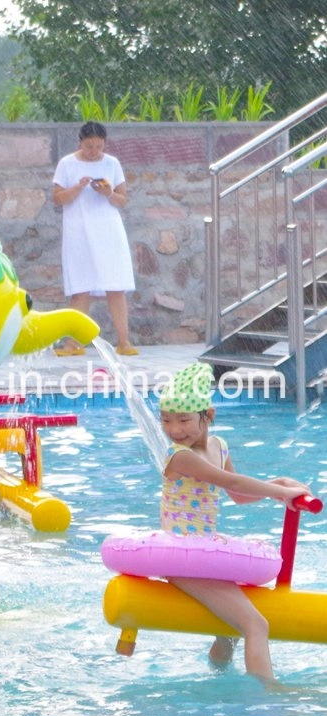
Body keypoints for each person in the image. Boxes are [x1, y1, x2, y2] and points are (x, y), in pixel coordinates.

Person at [158, 362, 311, 684]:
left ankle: (219, 681)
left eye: (184, 420)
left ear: (207, 416)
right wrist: (280, 490)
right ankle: (267, 694)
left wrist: (278, 484)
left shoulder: (218, 446)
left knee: (231, 630)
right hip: (182, 556)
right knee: (256, 625)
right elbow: (236, 482)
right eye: (166, 420)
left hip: (203, 552)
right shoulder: (180, 457)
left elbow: (236, 495)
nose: (175, 430)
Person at [52, 121, 138, 356]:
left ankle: (124, 341)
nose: (94, 151)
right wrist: (78, 188)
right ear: (80, 142)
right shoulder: (67, 164)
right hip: (79, 232)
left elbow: (122, 199)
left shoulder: (112, 163)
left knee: (115, 286)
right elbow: (58, 198)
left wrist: (108, 192)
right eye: (89, 146)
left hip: (108, 231)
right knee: (81, 287)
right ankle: (73, 343)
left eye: (98, 147)